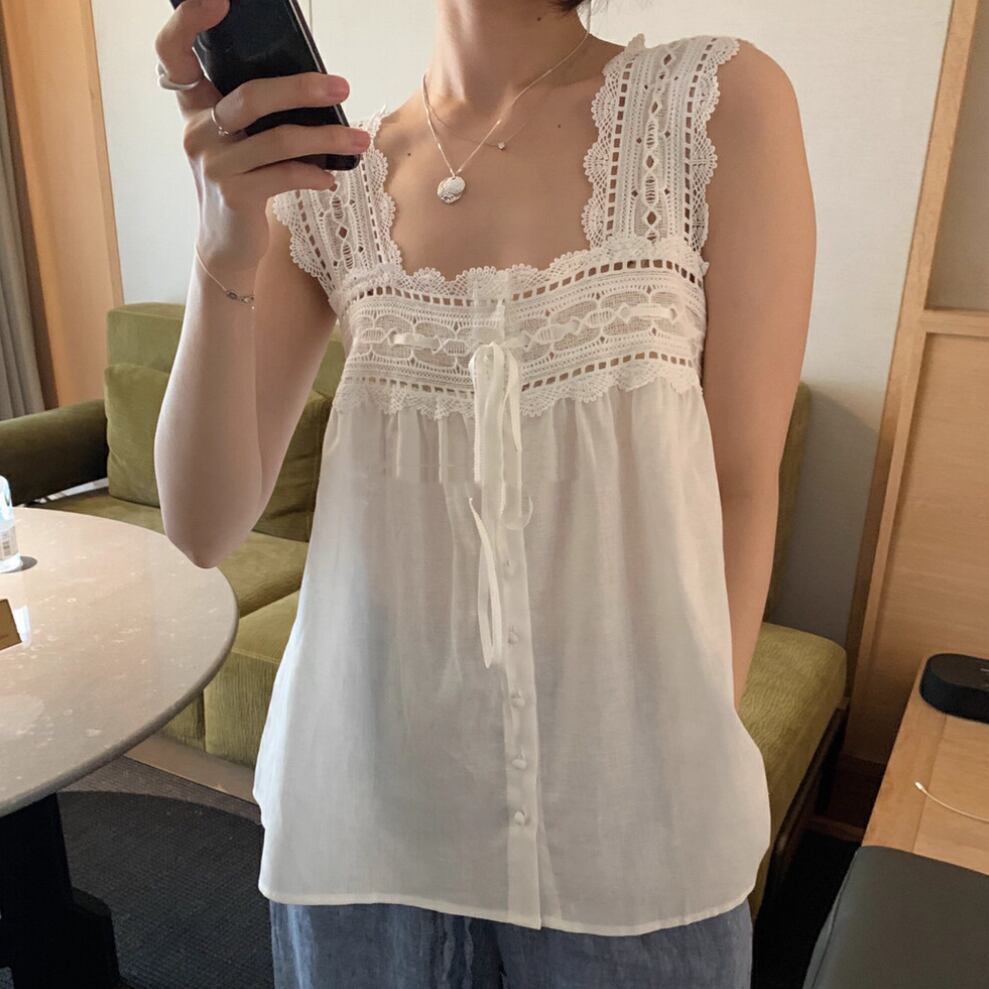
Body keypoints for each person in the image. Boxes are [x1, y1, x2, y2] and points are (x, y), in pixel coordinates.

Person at [154, 0, 815, 984]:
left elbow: (740, 483)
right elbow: (202, 525)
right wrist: (222, 248)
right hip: (370, 819)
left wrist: (675, 758)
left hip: (631, 835)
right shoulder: (333, 179)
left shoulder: (711, 104)